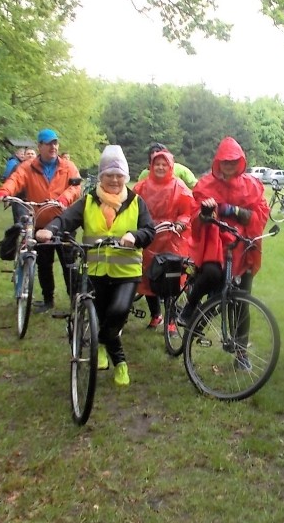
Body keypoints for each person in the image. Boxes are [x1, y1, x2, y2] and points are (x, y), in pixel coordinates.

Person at [35, 145, 155, 387]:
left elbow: (149, 230)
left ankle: (118, 360)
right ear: (101, 176)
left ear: (126, 176)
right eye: (109, 174)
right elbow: (66, 218)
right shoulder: (88, 201)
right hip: (95, 272)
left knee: (117, 314)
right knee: (99, 316)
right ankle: (103, 353)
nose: (114, 179)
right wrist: (51, 229)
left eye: (119, 175)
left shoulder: (136, 202)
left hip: (126, 273)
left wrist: (135, 236)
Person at [176, 137, 270, 368]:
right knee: (210, 274)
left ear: (241, 161)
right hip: (215, 243)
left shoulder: (252, 185)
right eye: (225, 161)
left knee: (241, 302)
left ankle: (241, 354)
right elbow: (196, 218)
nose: (229, 165)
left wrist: (233, 210)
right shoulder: (206, 184)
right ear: (218, 162)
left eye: (233, 161)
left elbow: (260, 214)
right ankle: (191, 307)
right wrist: (207, 213)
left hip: (242, 246)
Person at [0, 129, 82, 314]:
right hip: (40, 222)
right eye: (49, 143)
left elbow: (76, 187)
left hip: (64, 222)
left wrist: (65, 198)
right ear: (39, 146)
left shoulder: (68, 166)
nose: (53, 147)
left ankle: (76, 299)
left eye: (55, 143)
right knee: (43, 262)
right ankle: (48, 299)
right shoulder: (28, 167)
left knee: (69, 262)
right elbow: (15, 180)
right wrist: (4, 191)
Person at [132, 146, 193, 331]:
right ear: (151, 165)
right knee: (148, 277)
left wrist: (180, 224)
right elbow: (131, 207)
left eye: (163, 164)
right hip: (148, 238)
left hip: (171, 240)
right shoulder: (141, 186)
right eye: (156, 164)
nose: (160, 168)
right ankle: (155, 315)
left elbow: (188, 210)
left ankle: (171, 321)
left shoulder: (179, 186)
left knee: (171, 280)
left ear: (170, 166)